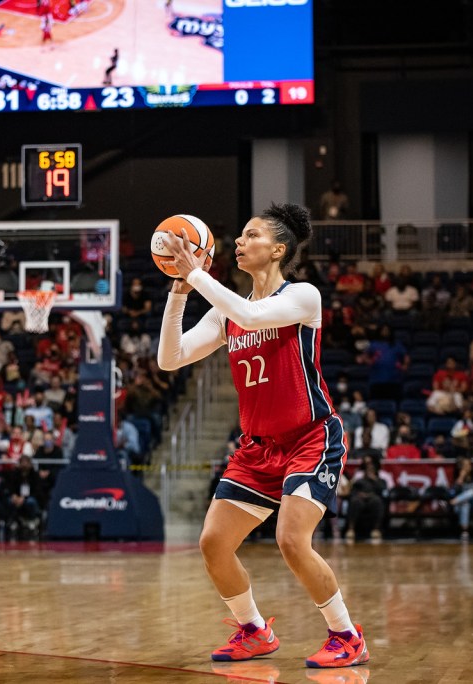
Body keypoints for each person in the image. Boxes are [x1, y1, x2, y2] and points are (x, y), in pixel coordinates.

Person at [158, 203, 368, 668]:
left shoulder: (303, 297)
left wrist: (197, 276)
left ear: (277, 249)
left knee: (291, 539)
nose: (238, 241)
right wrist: (178, 291)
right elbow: (170, 359)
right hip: (258, 448)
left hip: (310, 437)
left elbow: (253, 318)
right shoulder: (226, 311)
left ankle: (347, 636)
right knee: (213, 542)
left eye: (250, 235)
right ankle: (253, 630)